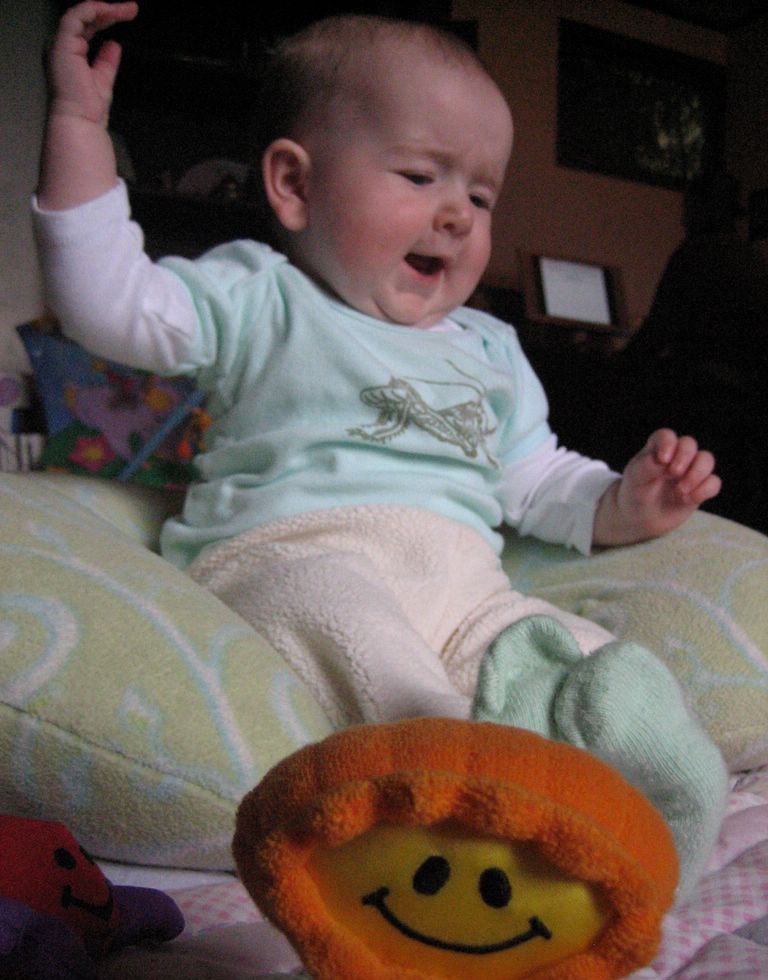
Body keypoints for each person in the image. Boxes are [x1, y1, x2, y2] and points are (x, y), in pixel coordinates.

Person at [34, 1, 727, 896]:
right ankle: (456, 800)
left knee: (569, 654)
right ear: (295, 185)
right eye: (420, 176)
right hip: (293, 553)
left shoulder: (490, 349)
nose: (457, 215)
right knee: (355, 632)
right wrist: (78, 125)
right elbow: (108, 302)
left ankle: (649, 822)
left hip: (465, 589)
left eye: (481, 196)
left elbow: (536, 477)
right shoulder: (263, 295)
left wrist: (624, 501)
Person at [621, 171, 768, 532]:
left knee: (620, 414)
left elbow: (657, 333)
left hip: (702, 400)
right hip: (746, 408)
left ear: (699, 209)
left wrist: (616, 364)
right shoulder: (751, 259)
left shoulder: (695, 254)